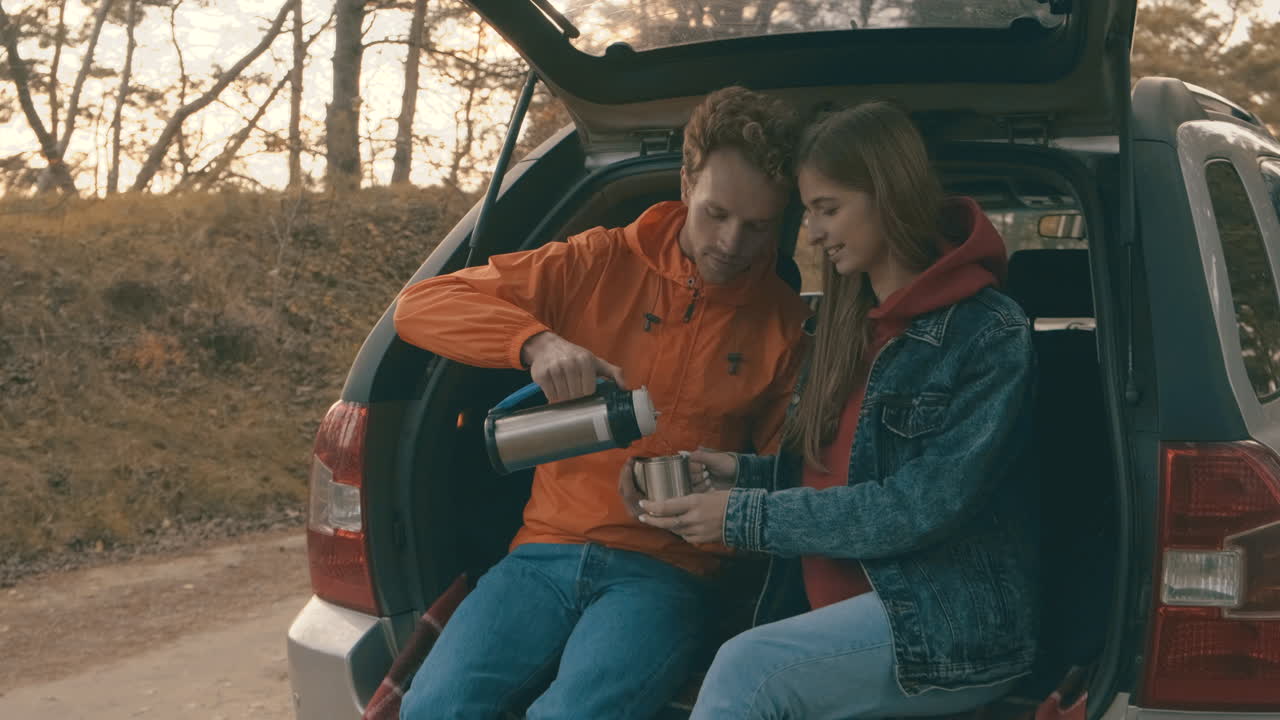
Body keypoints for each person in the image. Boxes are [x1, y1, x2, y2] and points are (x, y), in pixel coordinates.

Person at [393, 86, 812, 720]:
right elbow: (420, 307)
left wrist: (723, 508)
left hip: (667, 573)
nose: (732, 242)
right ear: (685, 184)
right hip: (542, 553)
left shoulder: (782, 324)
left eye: (758, 227)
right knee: (434, 707)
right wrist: (535, 342)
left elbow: (789, 477)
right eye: (716, 214)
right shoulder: (597, 260)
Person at [633, 100, 1039, 719]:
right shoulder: (843, 327)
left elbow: (919, 504)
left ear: (888, 194)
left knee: (747, 669)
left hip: (940, 627)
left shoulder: (987, 333)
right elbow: (838, 474)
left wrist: (744, 517)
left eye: (828, 210)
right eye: (809, 212)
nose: (815, 233)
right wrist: (738, 474)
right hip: (827, 610)